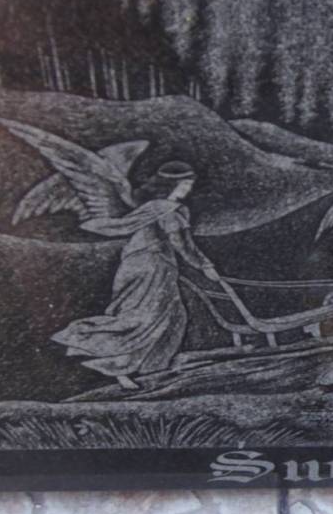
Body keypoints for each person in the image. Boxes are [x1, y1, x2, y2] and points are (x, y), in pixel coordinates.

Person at [50, 161, 225, 389]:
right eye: (185, 184)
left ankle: (154, 368)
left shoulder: (155, 207)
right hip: (152, 266)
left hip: (140, 264)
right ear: (171, 185)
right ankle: (113, 362)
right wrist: (205, 265)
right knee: (145, 319)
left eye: (189, 184)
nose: (187, 189)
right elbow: (181, 243)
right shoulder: (168, 209)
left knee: (171, 316)